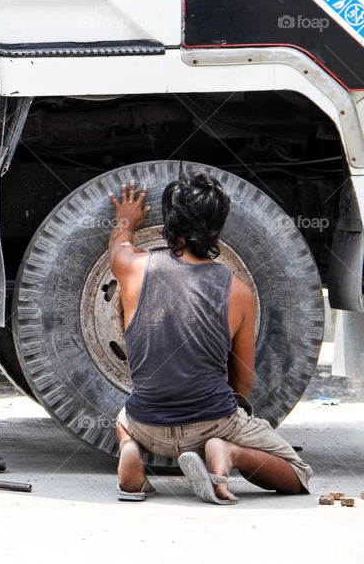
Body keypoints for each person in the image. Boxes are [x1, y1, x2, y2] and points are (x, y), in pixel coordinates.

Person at [108, 172, 313, 505]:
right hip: (213, 423)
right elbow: (243, 381)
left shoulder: (132, 266)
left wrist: (126, 222)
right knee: (298, 473)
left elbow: (118, 243)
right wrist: (230, 425)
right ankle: (230, 453)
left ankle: (130, 449)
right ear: (217, 230)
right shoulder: (239, 291)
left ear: (169, 221)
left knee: (123, 421)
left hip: (146, 423)